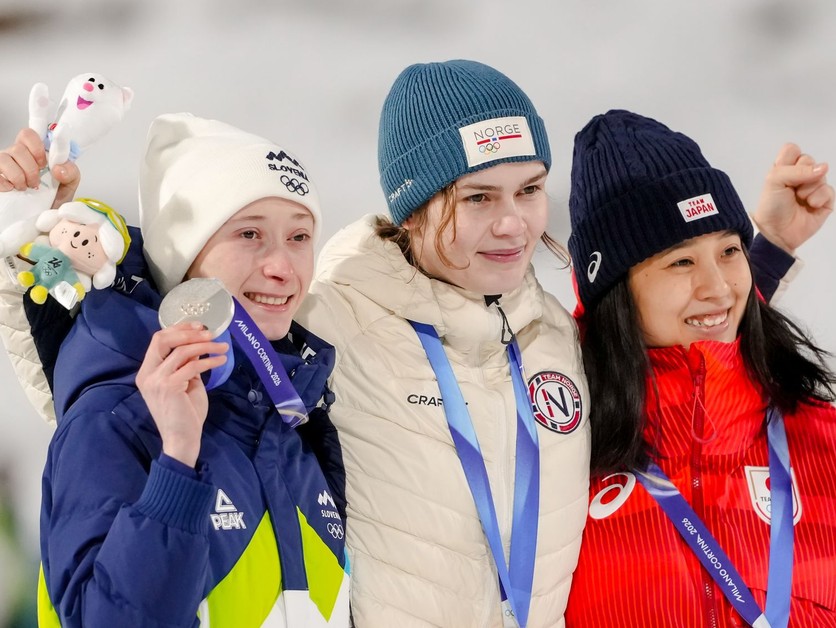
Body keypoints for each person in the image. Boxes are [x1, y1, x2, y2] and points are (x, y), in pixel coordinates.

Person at [6, 114, 350, 626]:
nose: (283, 266)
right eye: (250, 234)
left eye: (299, 237)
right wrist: (177, 464)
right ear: (181, 259)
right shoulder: (113, 419)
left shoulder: (296, 420)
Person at [563, 110, 836, 626]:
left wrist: (770, 247)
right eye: (680, 262)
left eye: (730, 251)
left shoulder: (823, 442)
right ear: (615, 292)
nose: (719, 286)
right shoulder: (553, 449)